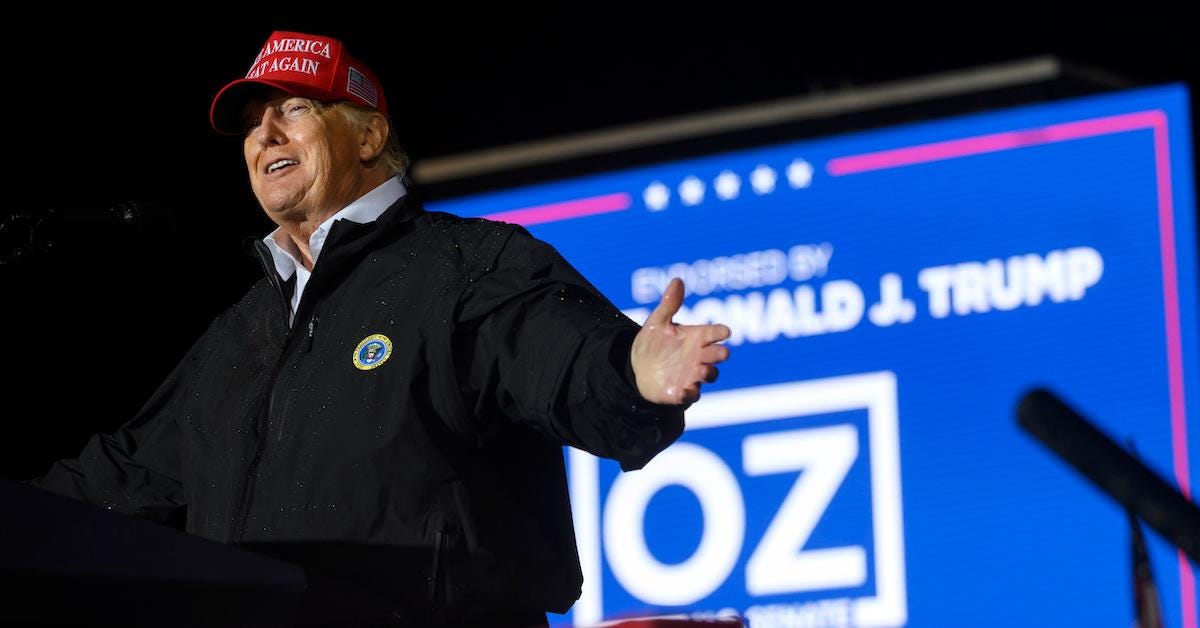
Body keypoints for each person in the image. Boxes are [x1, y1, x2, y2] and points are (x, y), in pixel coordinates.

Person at [25, 30, 731, 626]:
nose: (263, 134)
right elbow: (122, 476)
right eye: (251, 124)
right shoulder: (238, 336)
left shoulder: (464, 266)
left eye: (293, 109)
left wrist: (630, 370)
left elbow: (558, 354)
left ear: (370, 135)